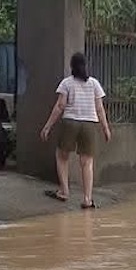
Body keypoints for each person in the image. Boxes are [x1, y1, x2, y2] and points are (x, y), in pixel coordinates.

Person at [40, 52, 111, 209]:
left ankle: (64, 191)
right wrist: (106, 129)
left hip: (70, 122)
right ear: (85, 65)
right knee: (87, 162)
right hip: (90, 124)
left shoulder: (67, 83)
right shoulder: (94, 84)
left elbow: (60, 106)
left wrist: (47, 126)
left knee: (61, 155)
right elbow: (100, 109)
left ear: (72, 66)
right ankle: (87, 199)